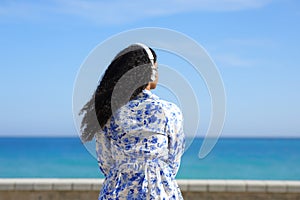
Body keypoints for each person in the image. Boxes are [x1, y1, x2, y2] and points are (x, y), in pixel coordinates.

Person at [79, 43, 185, 199]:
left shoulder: (108, 112)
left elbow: (105, 163)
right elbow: (173, 161)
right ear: (151, 72)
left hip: (116, 192)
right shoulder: (169, 111)